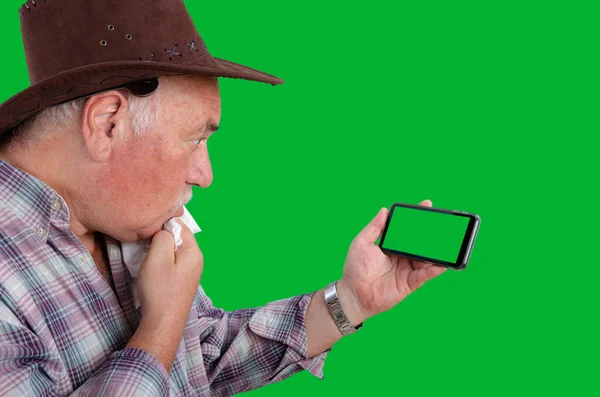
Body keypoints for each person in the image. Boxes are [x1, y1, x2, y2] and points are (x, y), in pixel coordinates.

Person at [0, 0, 446, 395]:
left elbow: (196, 363)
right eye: (195, 140)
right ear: (108, 124)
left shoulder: (120, 214)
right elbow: (168, 342)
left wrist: (349, 302)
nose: (206, 175)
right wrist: (160, 326)